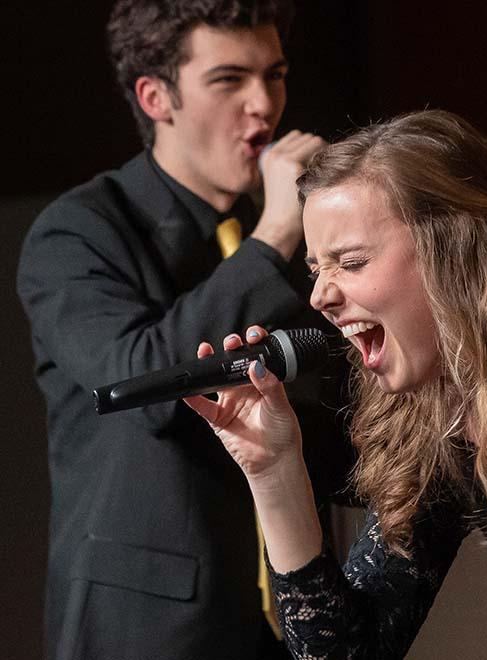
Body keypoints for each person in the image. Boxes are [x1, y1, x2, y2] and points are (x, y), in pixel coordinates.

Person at [185, 108, 487, 659]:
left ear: (454, 248)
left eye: (352, 262)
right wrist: (273, 472)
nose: (319, 297)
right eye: (317, 269)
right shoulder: (442, 416)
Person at [16, 1, 352, 659]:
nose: (264, 105)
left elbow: (329, 422)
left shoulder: (285, 237)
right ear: (154, 96)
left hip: (289, 619)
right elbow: (140, 381)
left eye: (275, 75)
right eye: (229, 80)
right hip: (146, 632)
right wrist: (275, 234)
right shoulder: (78, 230)